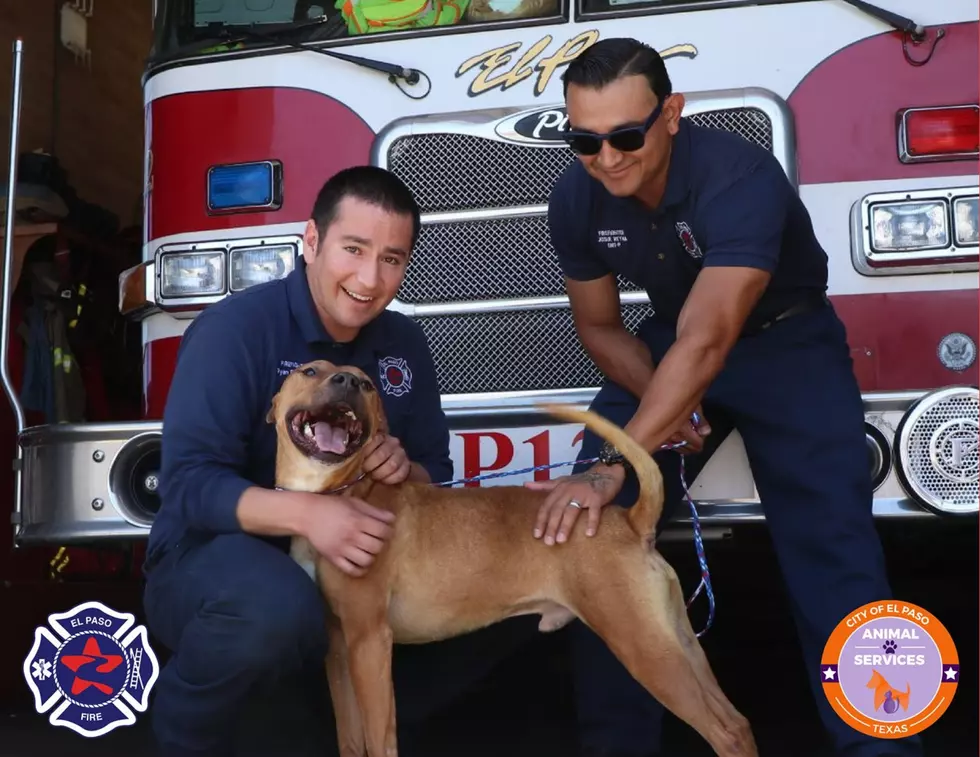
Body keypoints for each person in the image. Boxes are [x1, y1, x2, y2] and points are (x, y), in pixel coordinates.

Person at [529, 38, 921, 757]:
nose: (606, 157)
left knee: (837, 557)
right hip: (667, 347)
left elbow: (711, 340)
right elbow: (600, 326)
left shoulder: (740, 175)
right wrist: (664, 401)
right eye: (584, 139)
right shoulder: (574, 196)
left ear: (671, 113)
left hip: (784, 343)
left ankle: (884, 748)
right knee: (594, 536)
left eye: (625, 135)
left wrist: (617, 459)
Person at [142, 166, 526, 756]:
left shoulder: (402, 342)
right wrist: (310, 516)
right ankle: (180, 733)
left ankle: (341, 732)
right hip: (209, 558)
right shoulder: (236, 331)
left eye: (393, 259)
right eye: (354, 249)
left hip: (353, 567)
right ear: (312, 242)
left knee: (498, 589)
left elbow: (433, 471)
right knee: (278, 608)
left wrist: (403, 468)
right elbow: (188, 486)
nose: (371, 279)